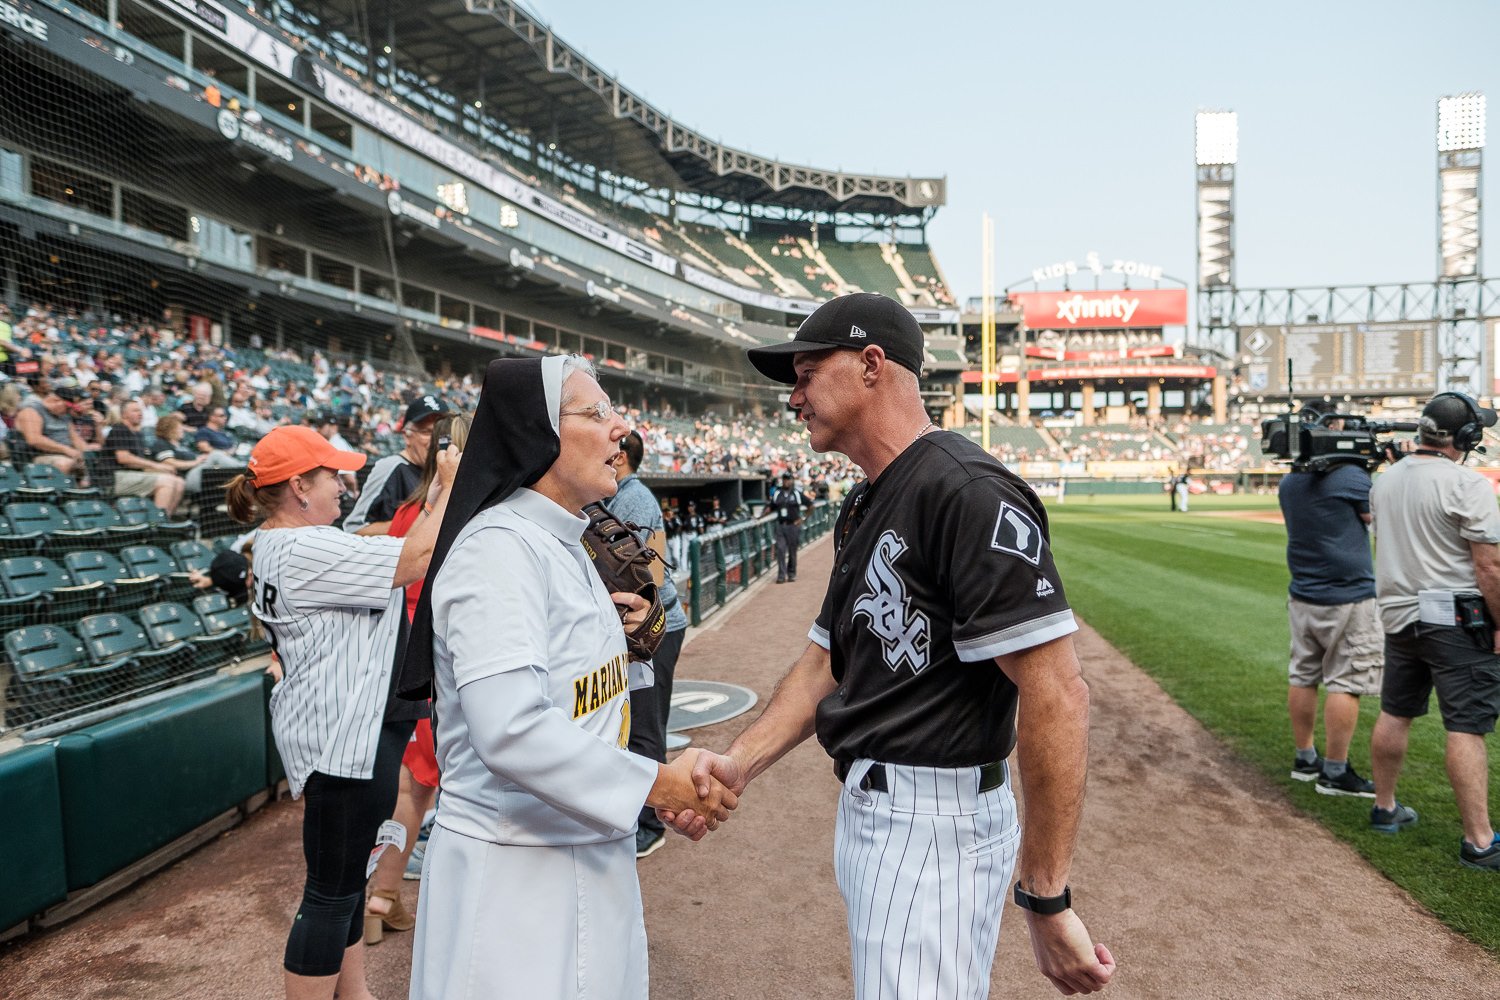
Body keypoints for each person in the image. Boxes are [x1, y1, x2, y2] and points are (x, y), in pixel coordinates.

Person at [668, 293, 1115, 997]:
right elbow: (825, 663)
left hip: (934, 818)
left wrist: (1045, 896)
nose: (794, 397)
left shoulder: (965, 491)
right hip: (885, 809)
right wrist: (737, 766)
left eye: (807, 372)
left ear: (872, 365)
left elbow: (1057, 692)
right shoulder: (867, 500)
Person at [398, 355, 736, 1000]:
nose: (620, 429)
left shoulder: (560, 538)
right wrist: (656, 782)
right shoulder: (498, 547)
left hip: (578, 852)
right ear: (537, 434)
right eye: (595, 412)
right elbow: (511, 731)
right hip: (514, 883)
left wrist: (628, 638)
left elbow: (580, 700)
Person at [228, 423, 457, 1000]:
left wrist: (431, 497)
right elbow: (418, 556)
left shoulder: (291, 542)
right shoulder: (301, 545)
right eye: (331, 475)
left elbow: (403, 545)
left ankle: (355, 995)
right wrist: (450, 488)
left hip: (349, 731)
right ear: (299, 486)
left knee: (347, 882)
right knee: (329, 893)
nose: (343, 484)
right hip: (340, 741)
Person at [1368, 391, 1500, 869]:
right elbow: (1489, 567)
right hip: (1456, 620)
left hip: (1399, 617)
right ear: (1465, 436)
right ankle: (1480, 841)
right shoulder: (1468, 484)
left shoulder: (1384, 481)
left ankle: (1385, 808)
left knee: (1396, 711)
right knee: (1466, 725)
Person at [364, 412, 472, 944]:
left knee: (414, 785)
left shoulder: (410, 508)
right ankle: (384, 899)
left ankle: (385, 897)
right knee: (429, 785)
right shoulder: (463, 508)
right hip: (437, 662)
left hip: (406, 660)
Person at [1277, 408, 1382, 796]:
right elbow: (1376, 515)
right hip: (1347, 596)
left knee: (1303, 675)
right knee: (1346, 681)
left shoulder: (1291, 480)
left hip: (1303, 594)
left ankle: (1305, 757)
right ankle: (1335, 771)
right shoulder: (1349, 477)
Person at [607, 429, 690, 859]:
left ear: (621, 459)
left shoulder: (633, 499)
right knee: (637, 727)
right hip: (649, 627)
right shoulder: (625, 496)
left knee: (644, 729)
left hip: (656, 627)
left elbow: (647, 579)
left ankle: (649, 823)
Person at [344, 396, 450, 535]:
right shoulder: (390, 467)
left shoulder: (444, 470)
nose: (435, 440)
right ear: (407, 435)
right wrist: (415, 524)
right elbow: (354, 529)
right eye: (427, 432)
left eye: (440, 433)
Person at [106, 400, 186, 515]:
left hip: (131, 475)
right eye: (135, 410)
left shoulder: (137, 434)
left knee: (179, 482)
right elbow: (124, 458)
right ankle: (156, 523)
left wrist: (161, 469)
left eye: (140, 410)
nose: (140, 413)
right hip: (114, 478)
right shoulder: (119, 429)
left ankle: (166, 520)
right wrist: (156, 465)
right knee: (167, 482)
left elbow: (138, 464)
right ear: (124, 414)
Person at [13, 378, 92, 477]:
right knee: (65, 463)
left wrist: (88, 454)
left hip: (65, 454)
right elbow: (34, 440)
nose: (68, 411)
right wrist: (66, 450)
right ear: (56, 400)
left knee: (89, 464)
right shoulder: (31, 410)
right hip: (37, 456)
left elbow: (75, 438)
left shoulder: (64, 416)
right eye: (67, 407)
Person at [770, 470, 814, 583]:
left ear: (791, 480)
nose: (786, 481)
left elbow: (810, 505)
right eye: (784, 479)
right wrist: (758, 517)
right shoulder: (777, 493)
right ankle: (781, 575)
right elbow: (770, 507)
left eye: (788, 479)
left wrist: (803, 519)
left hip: (793, 525)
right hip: (781, 525)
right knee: (780, 550)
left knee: (792, 551)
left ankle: (791, 573)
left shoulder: (796, 493)